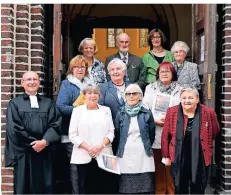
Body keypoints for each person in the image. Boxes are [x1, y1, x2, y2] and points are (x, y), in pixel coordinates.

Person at [4, 71, 62, 194]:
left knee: (46, 186)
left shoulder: (49, 103)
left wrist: (45, 141)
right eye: (28, 79)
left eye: (35, 79)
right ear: (22, 83)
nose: (32, 82)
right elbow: (14, 128)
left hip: (45, 152)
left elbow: (55, 124)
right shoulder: (15, 104)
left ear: (39, 82)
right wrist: (34, 143)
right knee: (24, 187)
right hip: (24, 153)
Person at [161, 87, 220, 194]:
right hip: (179, 156)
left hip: (200, 157)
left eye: (191, 98)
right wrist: (166, 156)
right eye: (184, 98)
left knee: (198, 187)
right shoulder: (172, 112)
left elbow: (215, 131)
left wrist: (205, 144)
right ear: (180, 99)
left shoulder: (208, 112)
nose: (187, 101)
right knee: (179, 187)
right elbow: (165, 135)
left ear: (197, 99)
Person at [143, 62, 181, 194]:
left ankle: (171, 192)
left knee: (171, 167)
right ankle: (159, 192)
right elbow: (144, 109)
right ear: (158, 74)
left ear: (173, 74)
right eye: (162, 71)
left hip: (173, 134)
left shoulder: (180, 90)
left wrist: (172, 121)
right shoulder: (150, 88)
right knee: (158, 166)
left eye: (167, 71)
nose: (164, 74)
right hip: (156, 132)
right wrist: (154, 120)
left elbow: (184, 110)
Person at [69, 84, 115, 194]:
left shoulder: (106, 110)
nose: (93, 95)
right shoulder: (77, 111)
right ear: (84, 95)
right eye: (89, 93)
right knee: (84, 187)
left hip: (104, 154)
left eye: (95, 93)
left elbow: (111, 132)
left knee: (105, 187)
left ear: (99, 95)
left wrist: (100, 147)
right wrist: (89, 148)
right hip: (84, 155)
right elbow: (72, 135)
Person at [56, 55, 92, 194]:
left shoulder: (90, 84)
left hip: (88, 132)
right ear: (71, 69)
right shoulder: (67, 84)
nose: (80, 70)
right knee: (76, 166)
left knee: (86, 166)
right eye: (77, 67)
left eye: (83, 67)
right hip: (71, 132)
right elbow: (61, 106)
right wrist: (81, 110)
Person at [114, 84, 156, 194]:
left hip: (143, 153)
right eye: (128, 94)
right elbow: (117, 135)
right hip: (125, 153)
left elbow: (151, 134)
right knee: (127, 188)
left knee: (145, 188)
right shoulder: (120, 113)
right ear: (125, 97)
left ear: (140, 96)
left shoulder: (147, 113)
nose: (131, 96)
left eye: (134, 93)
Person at [99, 58, 130, 122]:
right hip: (110, 125)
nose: (115, 72)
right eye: (112, 70)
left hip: (129, 125)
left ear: (124, 71)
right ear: (109, 73)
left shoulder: (131, 87)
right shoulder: (102, 88)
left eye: (118, 69)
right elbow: (99, 109)